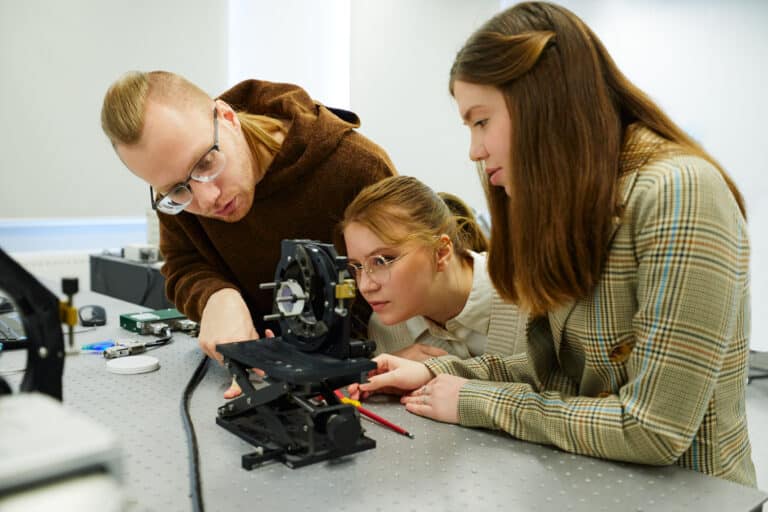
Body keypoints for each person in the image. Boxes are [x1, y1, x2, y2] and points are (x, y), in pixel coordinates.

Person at [354, 1, 756, 486]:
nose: (475, 151)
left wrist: (474, 400)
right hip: (596, 482)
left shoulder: (679, 192)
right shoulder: (572, 204)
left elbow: (651, 429)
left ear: (541, 102)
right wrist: (436, 373)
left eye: (481, 122)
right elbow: (550, 372)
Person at [100, 71, 396, 363]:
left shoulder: (357, 167)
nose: (207, 198)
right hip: (252, 365)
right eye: (177, 189)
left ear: (228, 117)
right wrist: (216, 297)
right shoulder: (178, 199)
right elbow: (183, 265)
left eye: (205, 163)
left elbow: (400, 280)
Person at [341, 175, 525, 362]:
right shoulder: (385, 330)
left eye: (382, 261)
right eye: (356, 267)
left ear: (441, 252)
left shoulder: (530, 294)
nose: (364, 286)